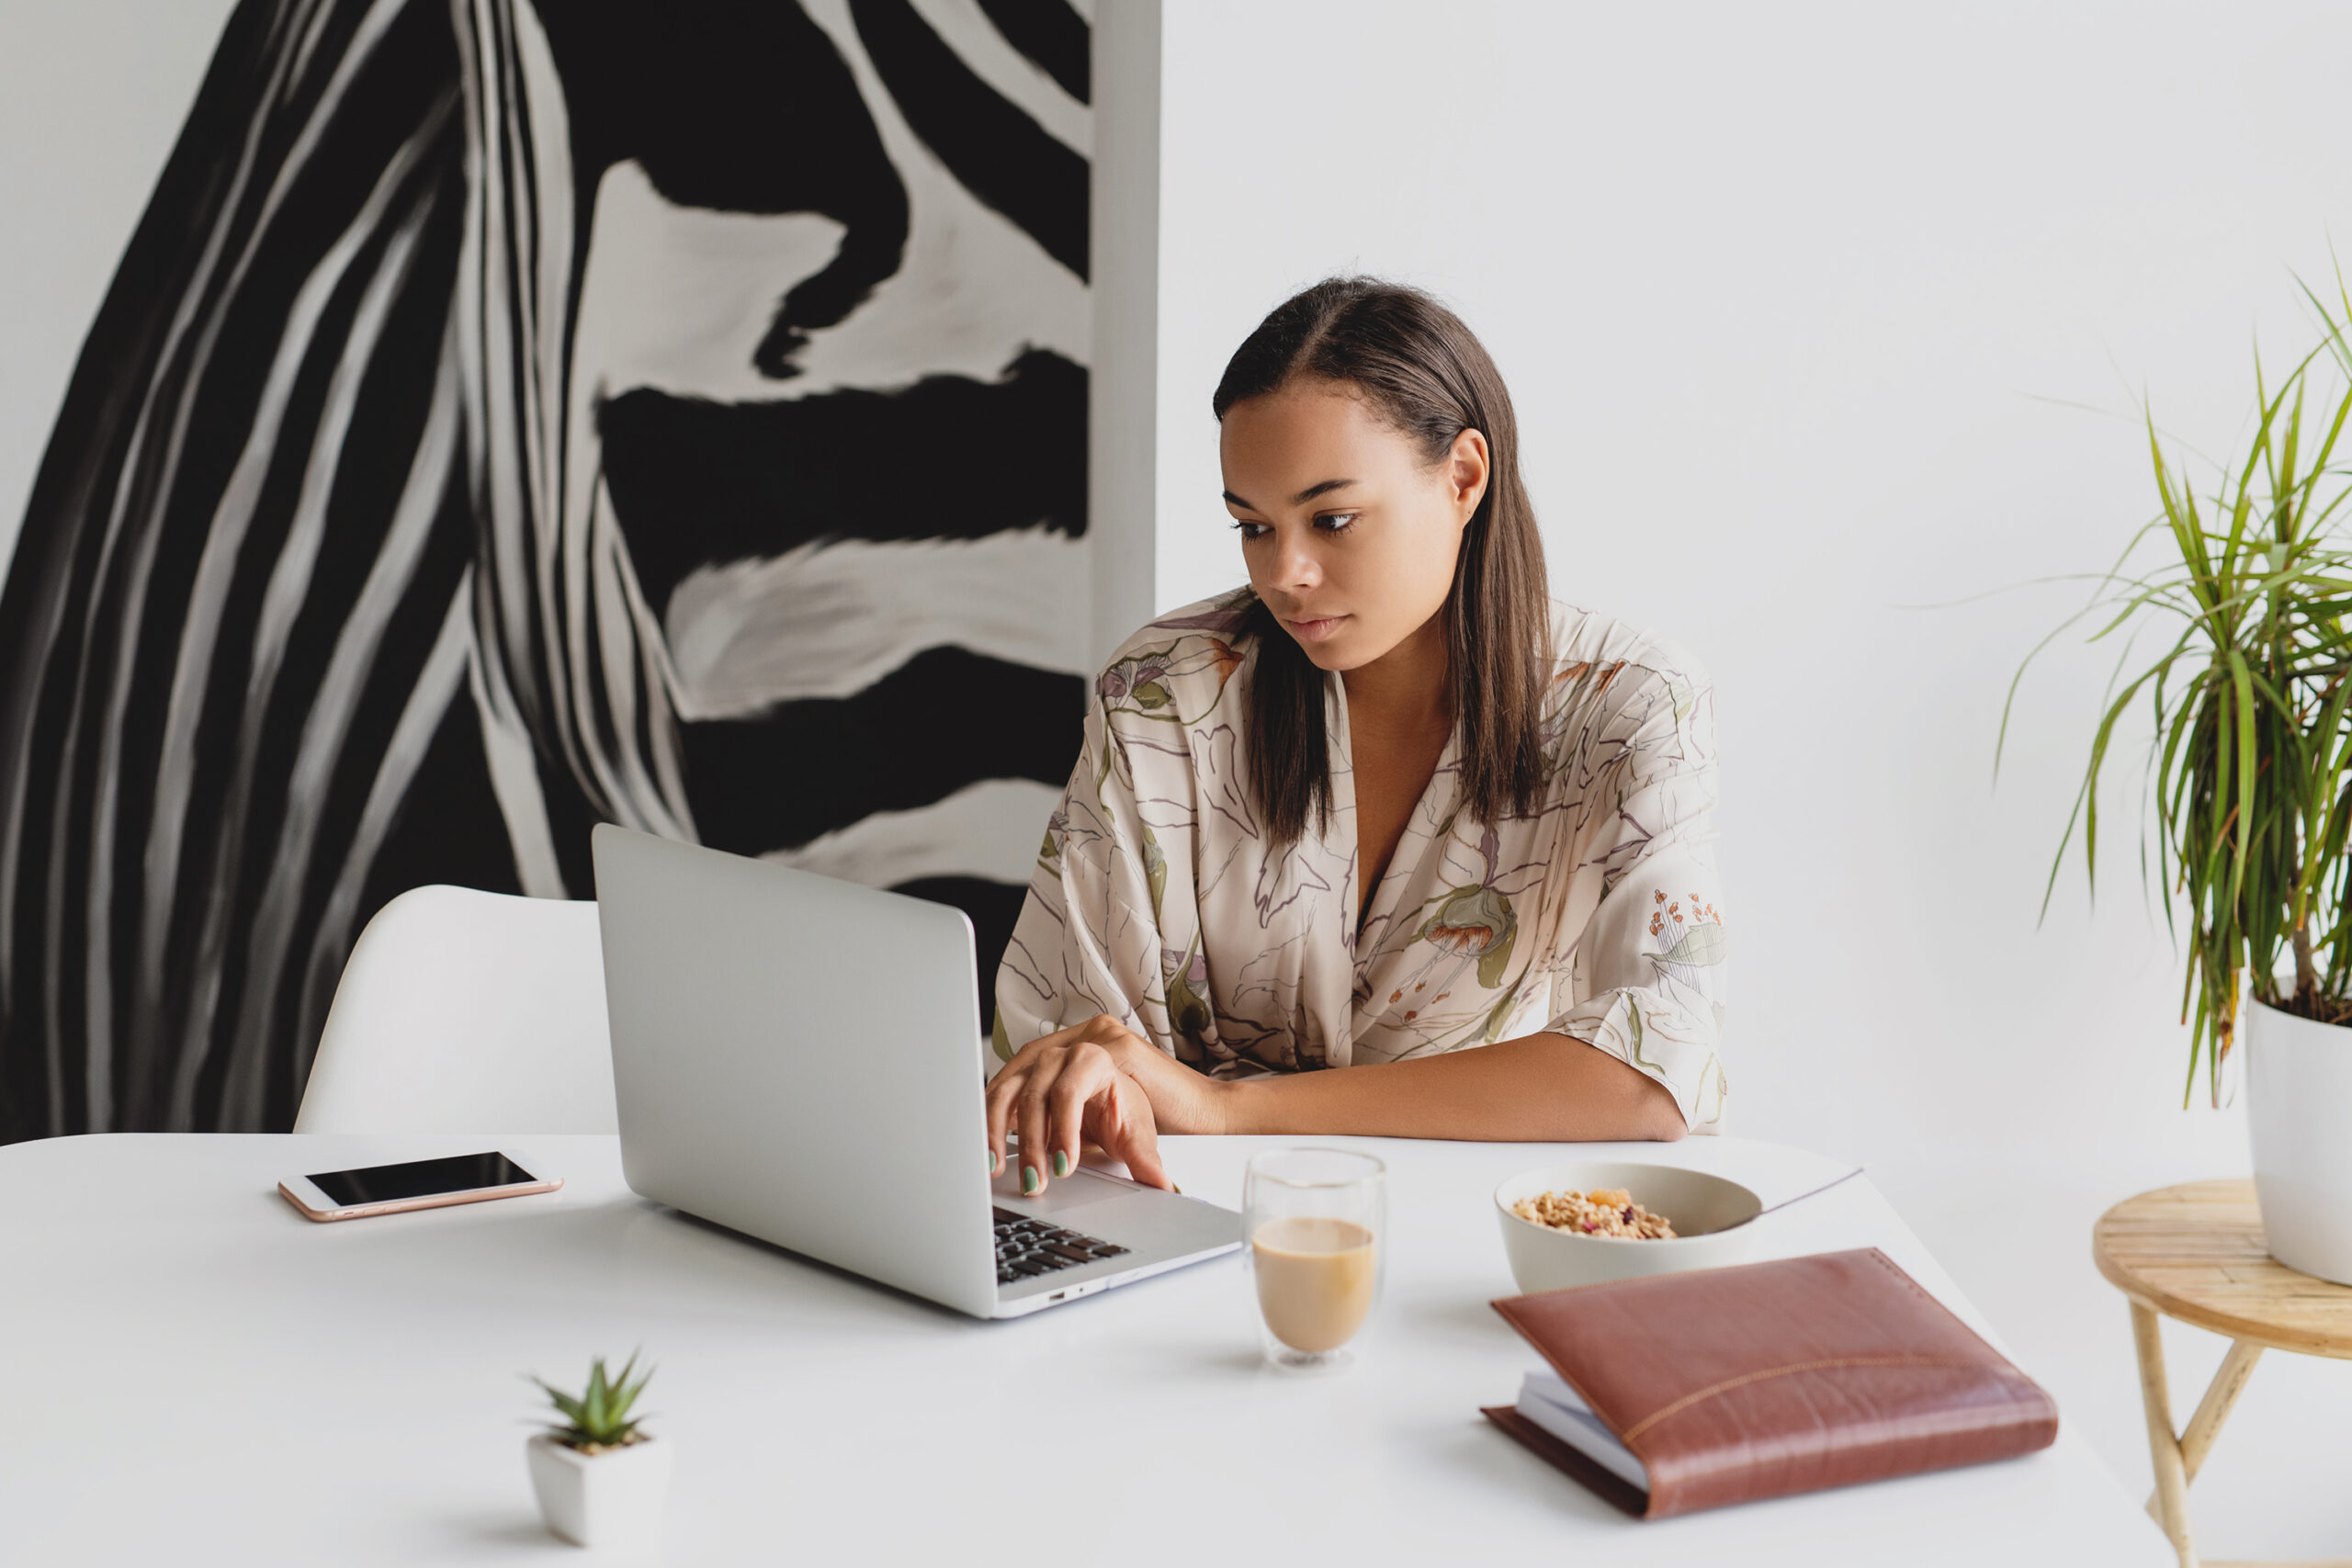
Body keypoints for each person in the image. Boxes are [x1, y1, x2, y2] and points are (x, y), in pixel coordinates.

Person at [986, 277, 1727, 1195]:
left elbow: (1654, 1073)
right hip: (1170, 1215)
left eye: (1331, 519)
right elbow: (1069, 1054)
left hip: (1460, 1223)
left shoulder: (1627, 702)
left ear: (1463, 477)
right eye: (1253, 526)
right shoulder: (1165, 692)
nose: (1284, 574)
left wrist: (1222, 1107)